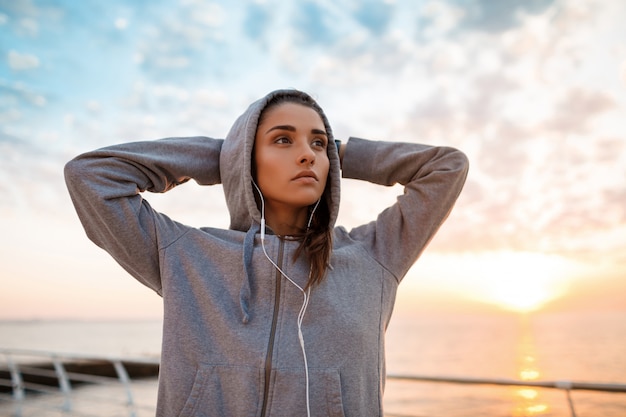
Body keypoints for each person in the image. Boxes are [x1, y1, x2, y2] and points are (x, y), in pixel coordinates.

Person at [64, 89, 469, 417]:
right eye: (282, 139)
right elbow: (91, 176)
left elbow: (447, 168)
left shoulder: (374, 255)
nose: (308, 153)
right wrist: (226, 157)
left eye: (319, 143)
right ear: (246, 159)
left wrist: (343, 153)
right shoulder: (184, 254)